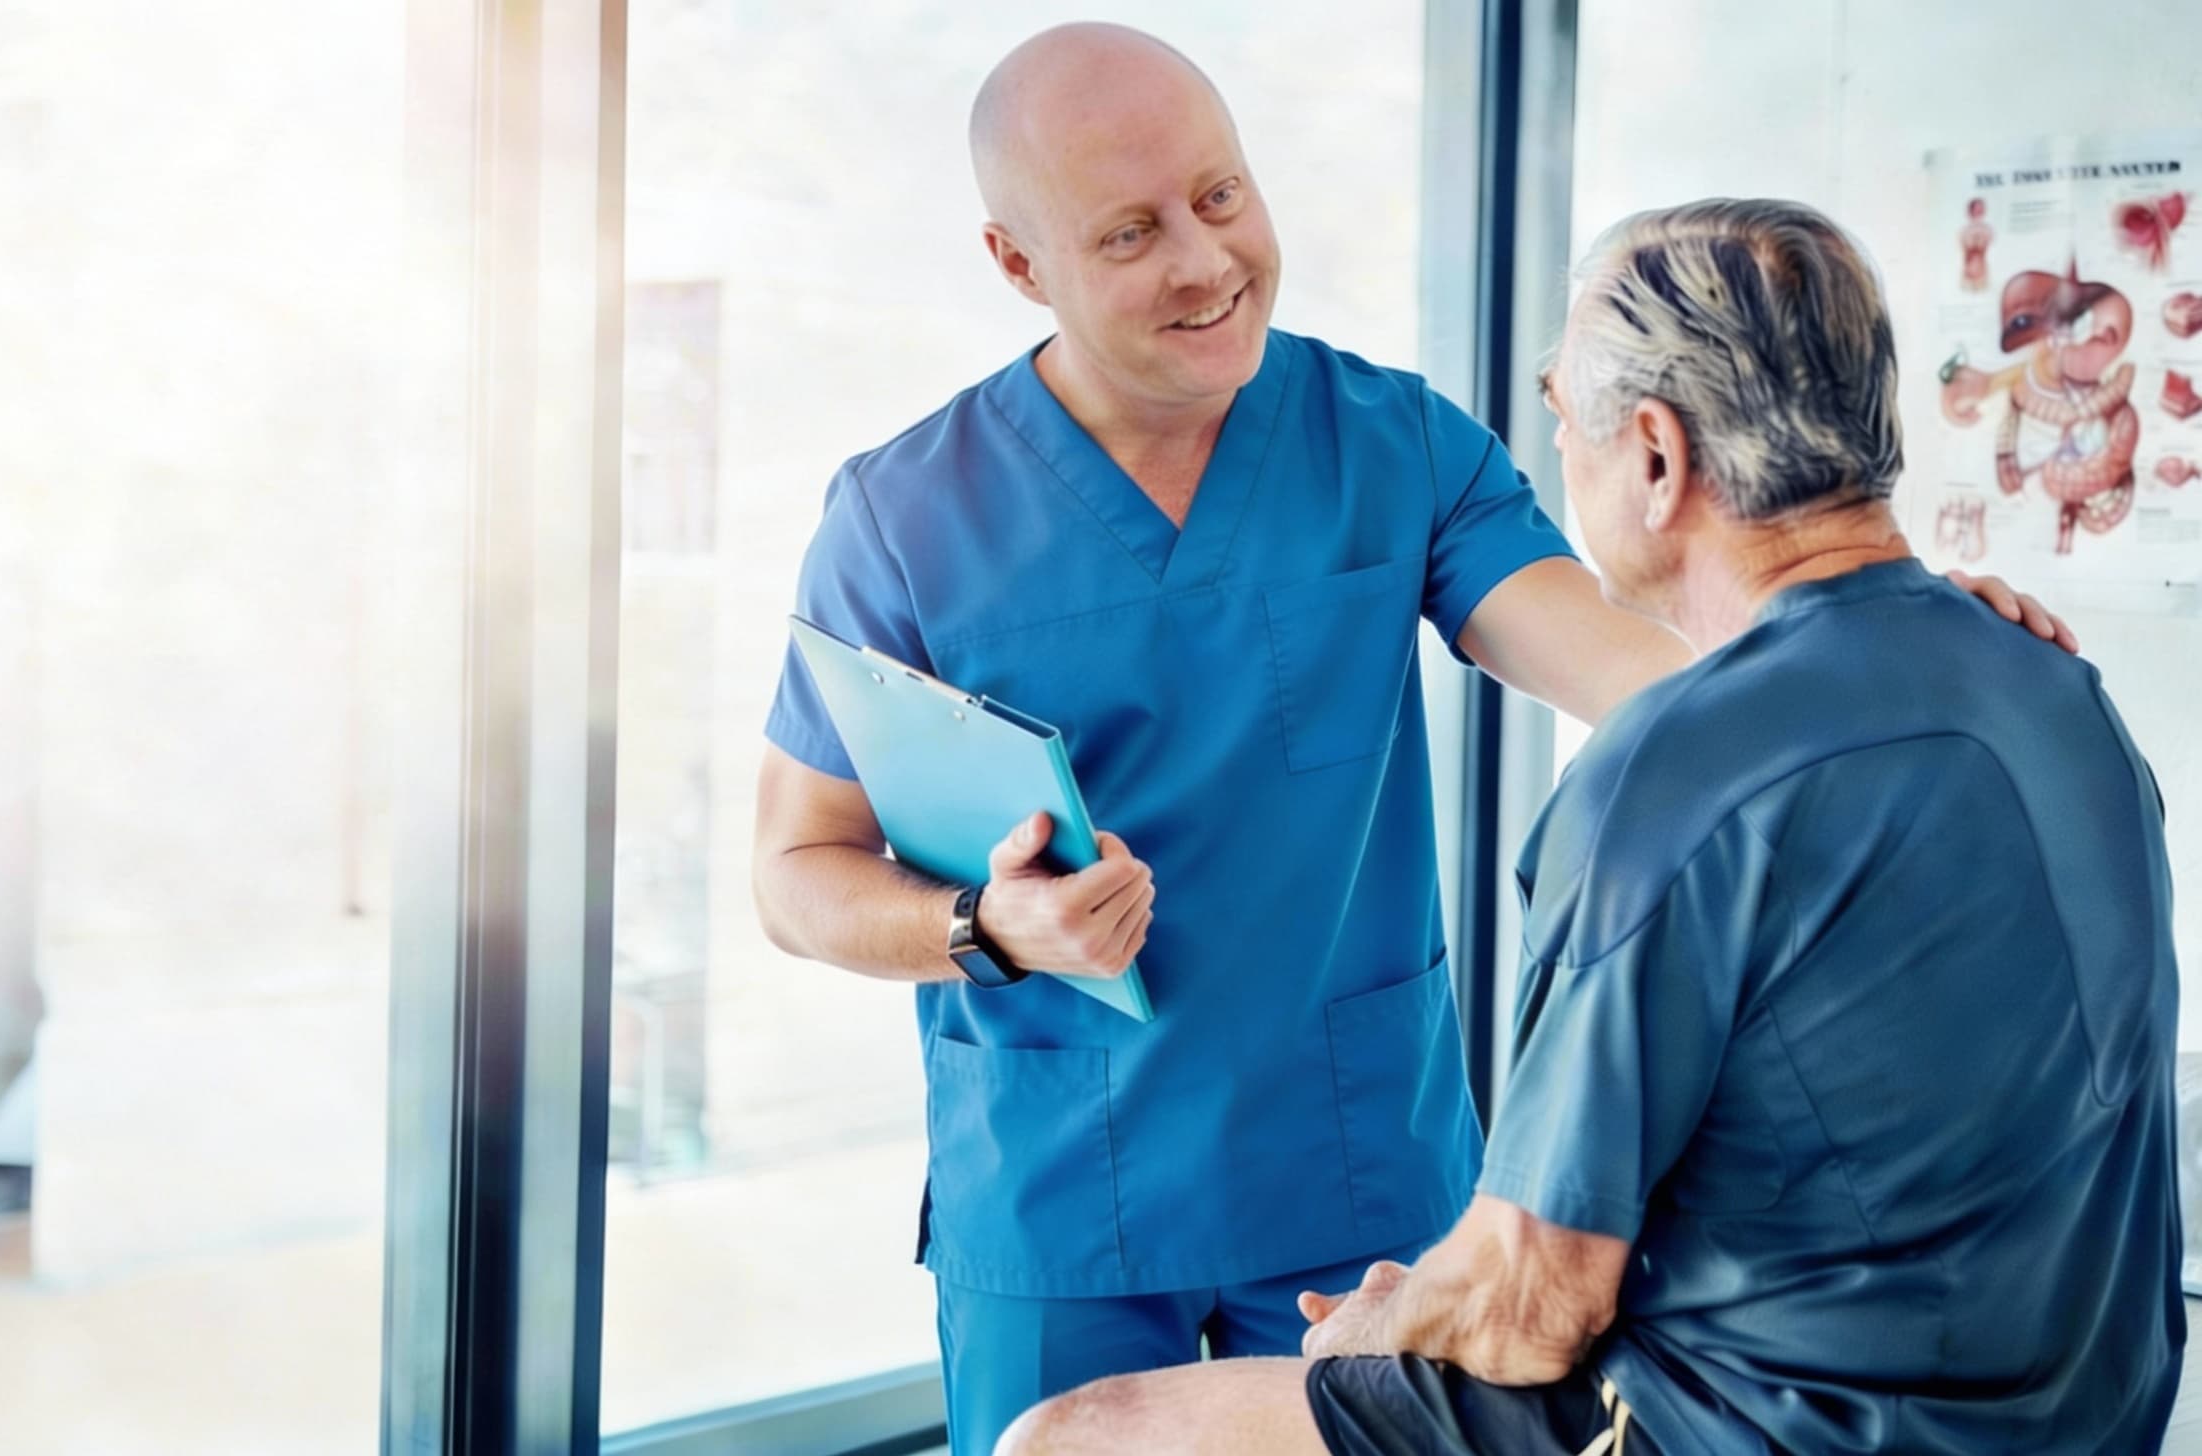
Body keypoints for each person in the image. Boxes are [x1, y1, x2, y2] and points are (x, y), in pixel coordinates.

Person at [751, 26, 2075, 1453]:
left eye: (1221, 197)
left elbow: (1654, 680)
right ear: (1019, 263)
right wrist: (987, 924)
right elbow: (797, 870)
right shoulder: (901, 515)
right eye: (1130, 233)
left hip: (1356, 1180)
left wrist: (1885, 635)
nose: (1205, 263)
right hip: (1063, 1188)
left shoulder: (1391, 445)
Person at [994, 198, 2184, 1456]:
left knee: (1077, 1435)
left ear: (1657, 459)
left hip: (1764, 1430)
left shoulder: (1667, 779)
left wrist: (1380, 1329)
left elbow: (1530, 1315)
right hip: (2078, 1417)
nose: (1557, 449)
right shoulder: (2059, 688)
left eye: (1564, 414)